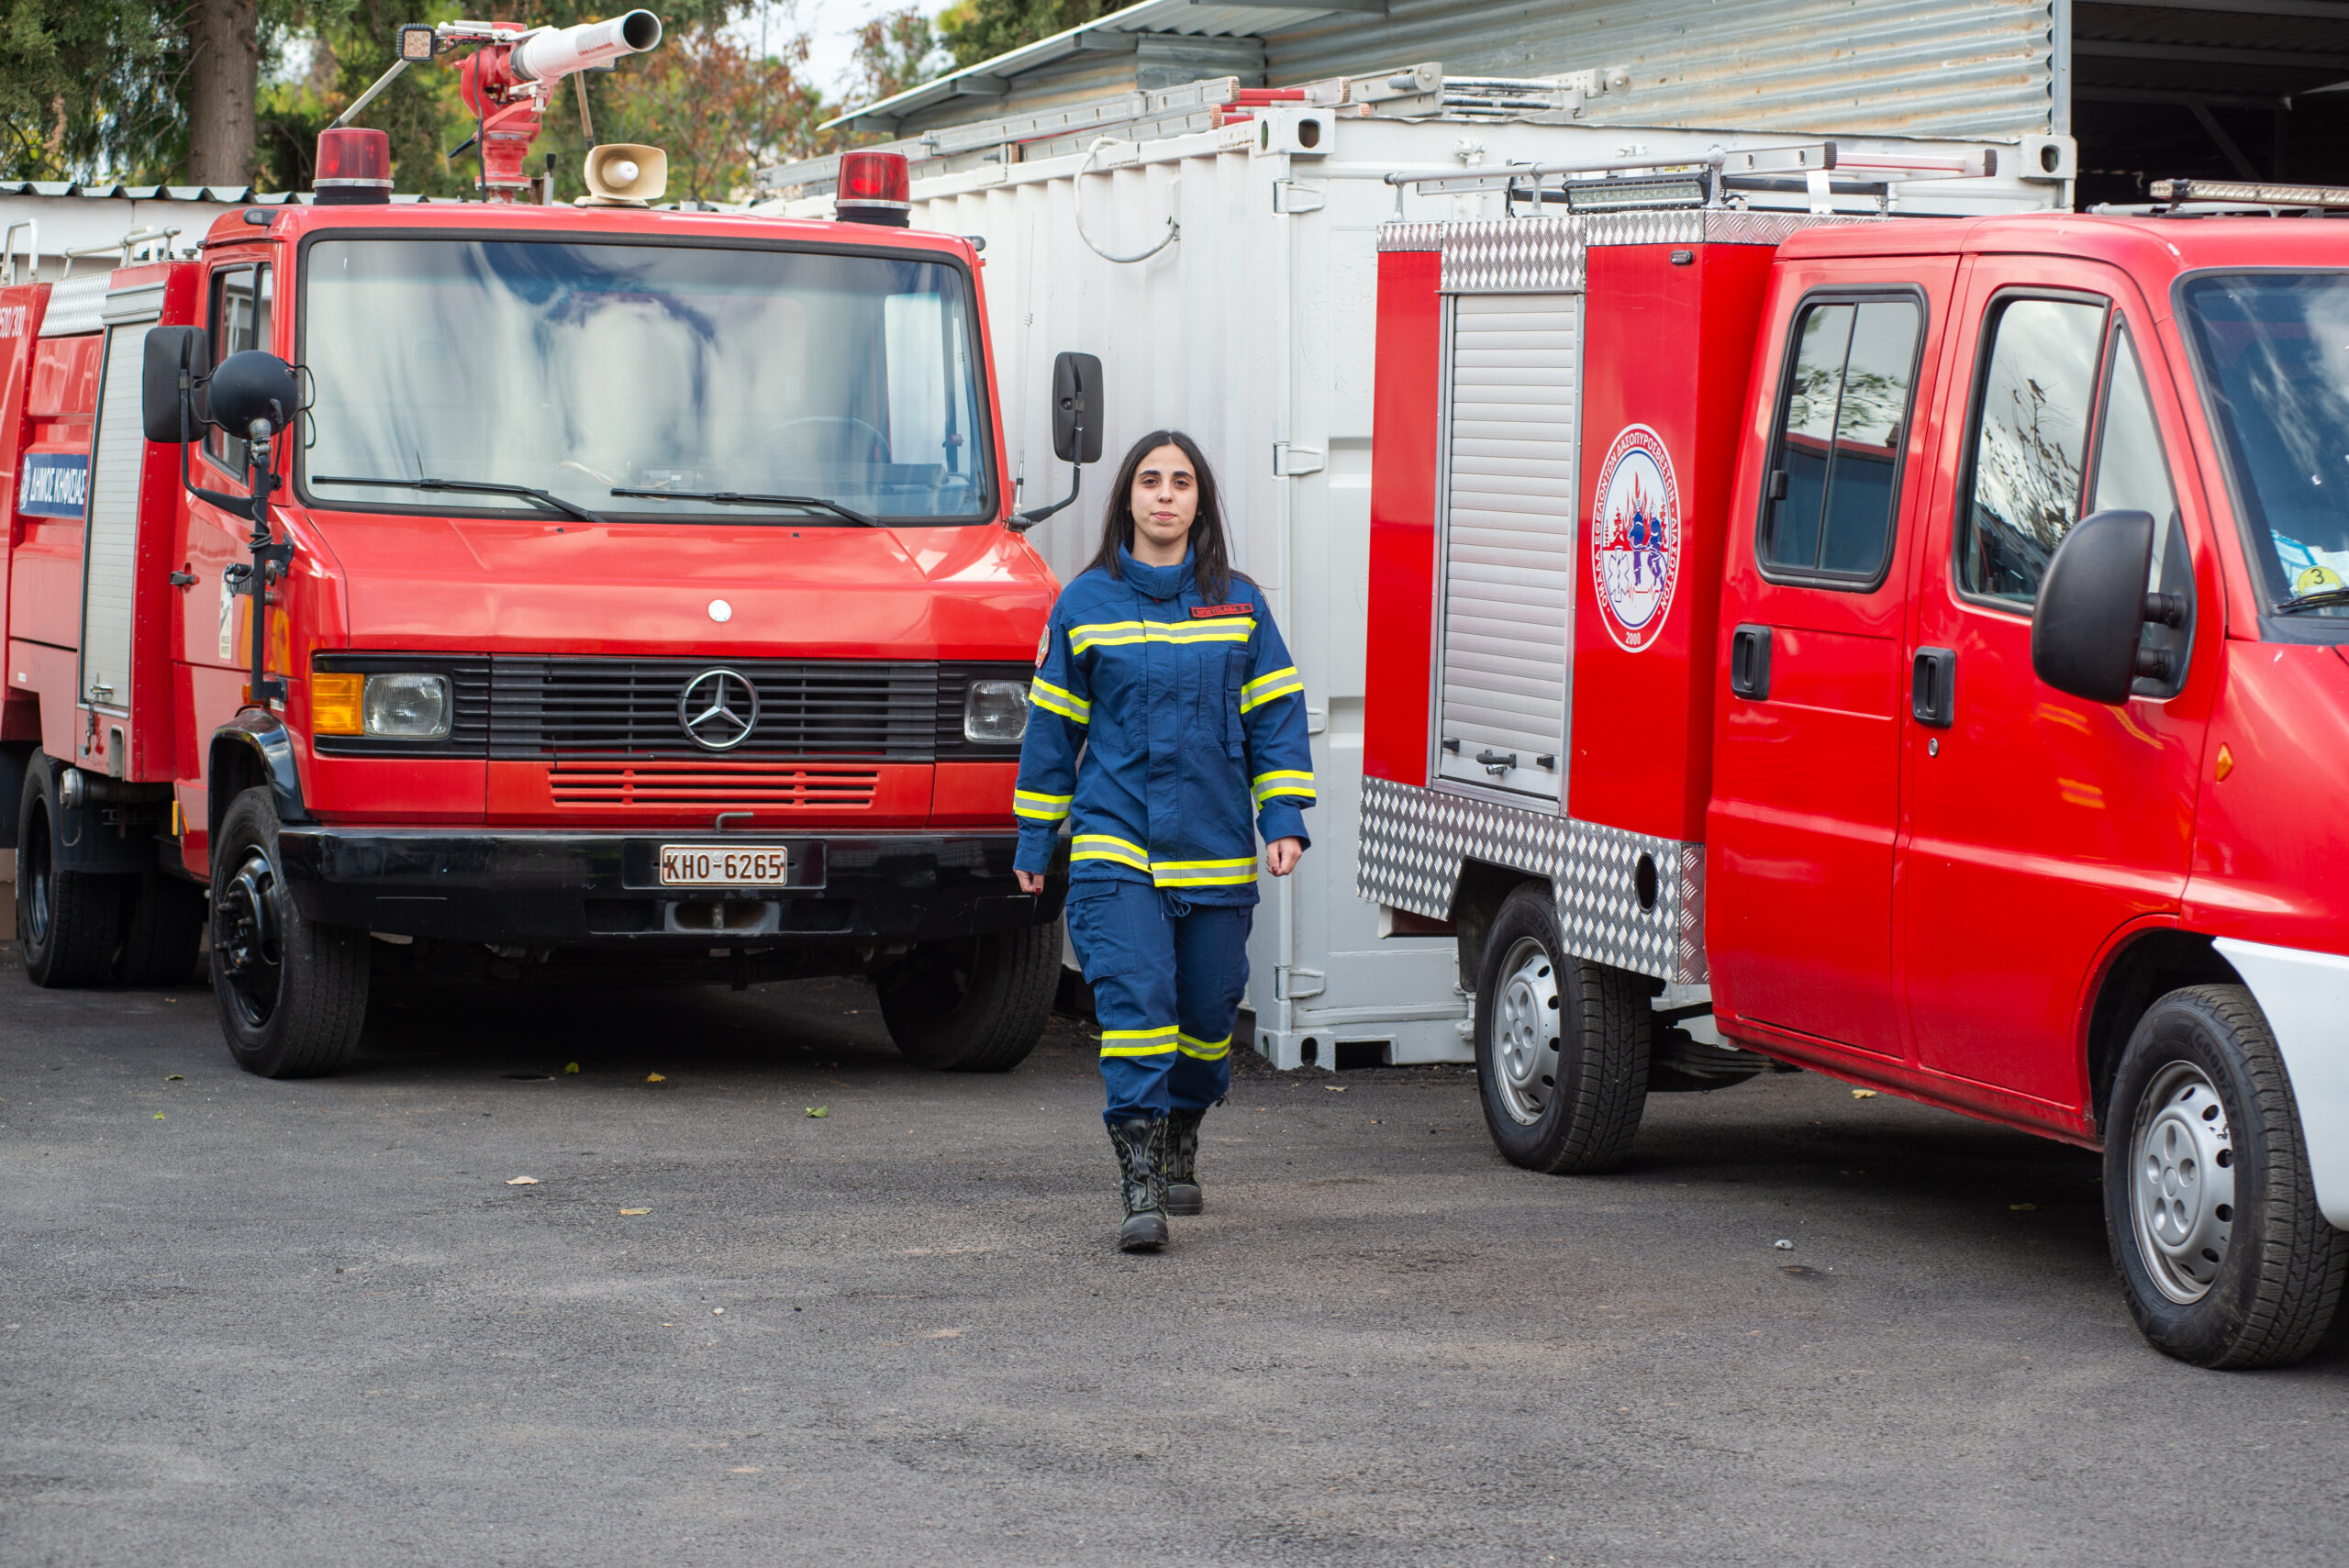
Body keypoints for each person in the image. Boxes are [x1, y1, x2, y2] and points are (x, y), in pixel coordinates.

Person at [1012, 431, 1315, 1251]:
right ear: (1129, 498)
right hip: (1119, 846)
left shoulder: (1241, 605)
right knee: (1136, 1005)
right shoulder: (1083, 605)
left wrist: (1283, 817)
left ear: (1199, 502)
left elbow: (1276, 723)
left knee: (1208, 1015)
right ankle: (1139, 1175)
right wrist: (1035, 843)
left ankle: (1184, 1126)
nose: (1165, 495)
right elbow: (1051, 737)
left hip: (1216, 849)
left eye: (1181, 482)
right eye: (1150, 480)